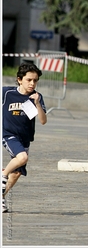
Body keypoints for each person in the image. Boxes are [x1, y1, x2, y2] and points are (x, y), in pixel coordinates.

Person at [2, 63, 47, 213]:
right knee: (22, 158)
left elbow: (42, 120)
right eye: (29, 80)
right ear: (20, 80)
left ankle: (1, 197)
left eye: (35, 80)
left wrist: (37, 104)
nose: (32, 83)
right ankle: (2, 175)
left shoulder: (36, 97)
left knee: (16, 173)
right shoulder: (6, 93)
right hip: (8, 134)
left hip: (25, 138)